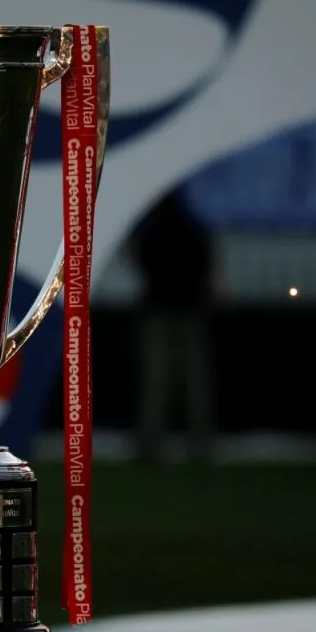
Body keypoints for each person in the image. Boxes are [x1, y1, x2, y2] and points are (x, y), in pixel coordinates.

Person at [133, 188, 216, 461]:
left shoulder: (152, 230)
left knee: (156, 379)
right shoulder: (194, 229)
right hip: (191, 309)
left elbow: (139, 262)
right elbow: (207, 265)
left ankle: (150, 440)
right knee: (195, 379)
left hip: (158, 309)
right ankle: (200, 439)